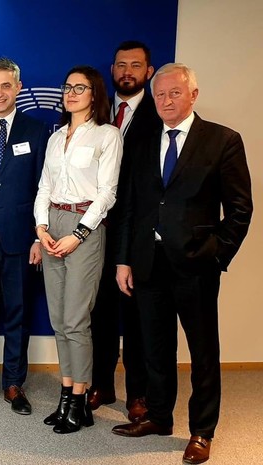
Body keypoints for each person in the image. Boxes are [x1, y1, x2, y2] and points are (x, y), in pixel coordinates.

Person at [112, 63, 252, 465]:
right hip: (148, 263)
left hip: (196, 266)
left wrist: (217, 254)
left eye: (175, 93)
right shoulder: (141, 143)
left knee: (203, 352)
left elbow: (240, 209)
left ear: (193, 95)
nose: (166, 100)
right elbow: (130, 207)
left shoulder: (222, 140)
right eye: (159, 94)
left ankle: (202, 431)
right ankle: (159, 416)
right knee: (155, 347)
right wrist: (124, 260)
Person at [34, 66, 123, 434]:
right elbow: (44, 186)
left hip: (85, 226)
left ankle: (80, 399)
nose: (70, 93)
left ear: (94, 93)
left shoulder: (107, 135)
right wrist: (41, 227)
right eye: (67, 87)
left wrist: (80, 233)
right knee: (58, 321)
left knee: (75, 320)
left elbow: (107, 193)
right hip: (52, 224)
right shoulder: (56, 137)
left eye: (79, 88)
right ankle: (67, 395)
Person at [0, 58, 48, 415]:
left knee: (19, 314)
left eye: (6, 85)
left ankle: (14, 383)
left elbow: (44, 188)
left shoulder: (37, 131)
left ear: (18, 87)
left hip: (21, 240)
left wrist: (38, 237)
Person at [88, 41, 161, 422]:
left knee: (136, 317)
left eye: (135, 65)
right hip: (97, 227)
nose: (127, 71)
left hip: (138, 232)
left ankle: (138, 393)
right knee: (100, 313)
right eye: (121, 65)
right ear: (112, 70)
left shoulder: (158, 113)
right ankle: (102, 384)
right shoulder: (97, 111)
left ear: (149, 72)